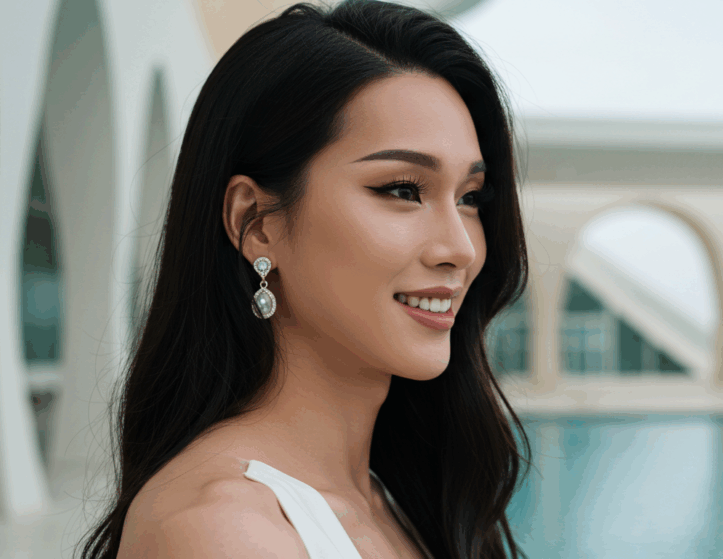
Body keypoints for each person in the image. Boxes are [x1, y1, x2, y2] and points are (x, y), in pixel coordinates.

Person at [78, 1, 531, 558]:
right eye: (403, 189)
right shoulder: (220, 531)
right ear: (255, 223)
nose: (461, 249)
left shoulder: (396, 499)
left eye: (470, 198)